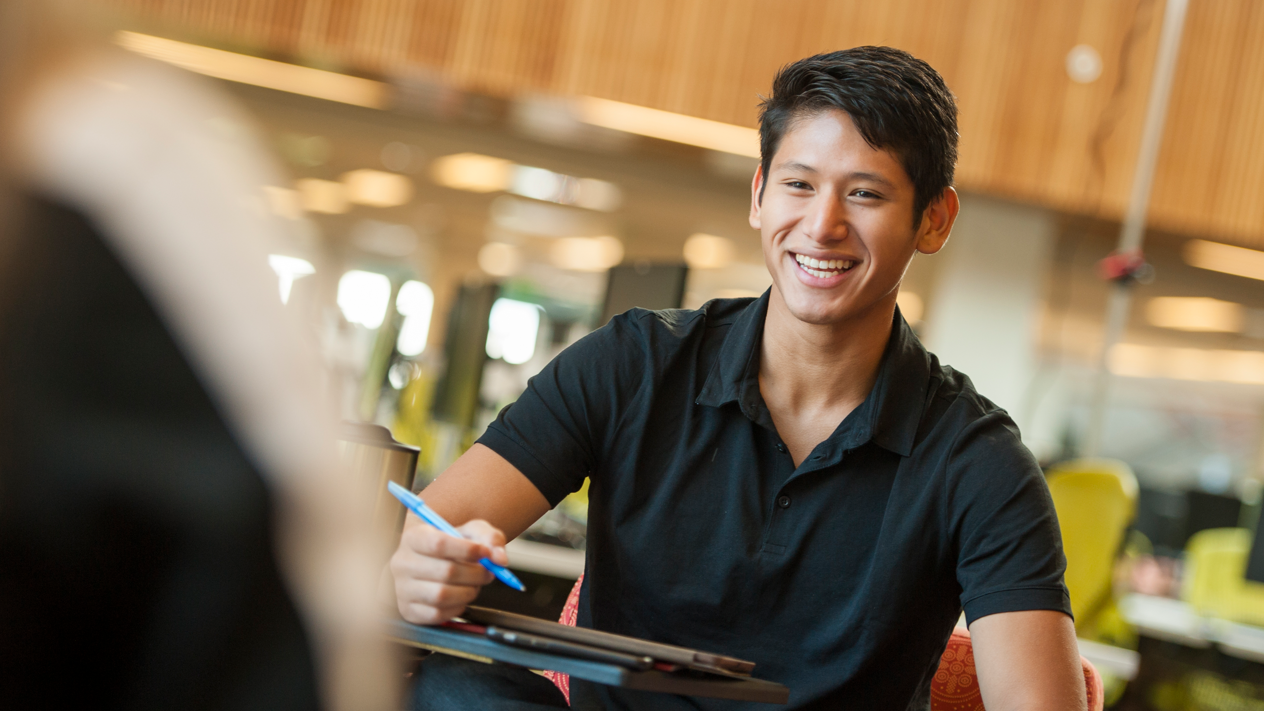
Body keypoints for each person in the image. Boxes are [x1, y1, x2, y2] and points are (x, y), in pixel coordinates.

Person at [392, 46, 1086, 710]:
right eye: (798, 184)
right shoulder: (632, 363)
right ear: (759, 195)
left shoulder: (979, 460)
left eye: (866, 194)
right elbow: (427, 542)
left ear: (933, 220)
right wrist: (422, 572)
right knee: (440, 689)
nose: (822, 225)